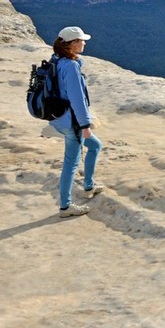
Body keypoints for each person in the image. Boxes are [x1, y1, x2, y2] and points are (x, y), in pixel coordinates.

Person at [50, 26, 104, 218]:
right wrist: (85, 125)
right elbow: (77, 99)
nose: (84, 43)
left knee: (96, 146)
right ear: (73, 44)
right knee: (71, 163)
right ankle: (65, 207)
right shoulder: (71, 67)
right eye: (81, 41)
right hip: (72, 122)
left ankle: (89, 185)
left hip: (60, 118)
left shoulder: (56, 60)